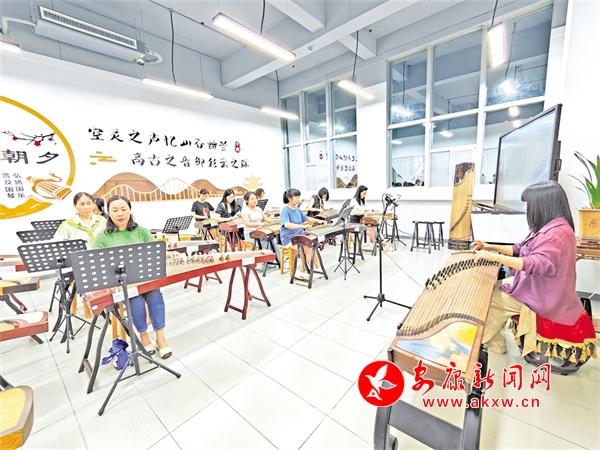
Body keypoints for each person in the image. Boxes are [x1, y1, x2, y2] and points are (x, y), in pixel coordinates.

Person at [473, 181, 584, 356]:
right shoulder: (549, 227)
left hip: (544, 296)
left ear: (542, 204)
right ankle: (492, 337)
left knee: (491, 300)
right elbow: (519, 249)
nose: (525, 208)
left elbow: (535, 263)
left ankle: (489, 342)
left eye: (527, 204)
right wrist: (490, 246)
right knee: (489, 287)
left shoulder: (555, 234)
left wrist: (494, 257)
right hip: (538, 286)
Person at [94, 195, 173, 359]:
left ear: (130, 210)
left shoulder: (141, 231)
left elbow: (154, 251)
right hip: (123, 285)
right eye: (115, 210)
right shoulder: (102, 237)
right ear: (109, 213)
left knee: (155, 295)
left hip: (145, 280)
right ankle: (144, 336)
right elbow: (96, 263)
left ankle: (160, 337)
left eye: (124, 209)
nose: (120, 214)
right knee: (135, 300)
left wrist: (166, 254)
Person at [280, 188, 324, 277]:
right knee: (307, 247)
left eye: (299, 197)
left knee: (312, 246)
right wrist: (302, 226)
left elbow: (307, 219)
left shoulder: (298, 210)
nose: (298, 199)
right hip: (289, 239)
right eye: (296, 197)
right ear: (289, 198)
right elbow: (287, 224)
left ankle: (318, 269)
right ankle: (312, 271)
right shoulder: (285, 211)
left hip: (299, 236)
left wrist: (318, 220)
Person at [241, 191, 280, 260]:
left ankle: (280, 260)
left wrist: (277, 220)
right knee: (266, 242)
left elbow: (267, 219)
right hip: (250, 234)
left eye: (255, 198)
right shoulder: (245, 210)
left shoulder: (258, 209)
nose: (255, 200)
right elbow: (247, 223)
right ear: (247, 200)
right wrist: (260, 224)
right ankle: (265, 262)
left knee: (272, 241)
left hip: (260, 233)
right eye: (252, 199)